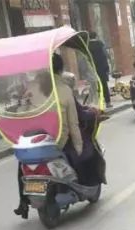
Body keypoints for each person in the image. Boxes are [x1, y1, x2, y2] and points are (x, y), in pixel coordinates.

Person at [14, 53, 85, 218]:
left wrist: (23, 103)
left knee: (22, 165)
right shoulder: (65, 89)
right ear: (60, 70)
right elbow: (73, 124)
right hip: (57, 140)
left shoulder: (31, 88)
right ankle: (73, 188)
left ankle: (23, 202)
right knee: (75, 157)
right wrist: (79, 146)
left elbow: (20, 114)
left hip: (34, 141)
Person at [87, 31, 112, 106]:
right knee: (104, 85)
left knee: (95, 85)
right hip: (102, 68)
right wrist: (107, 65)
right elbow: (105, 54)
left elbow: (86, 58)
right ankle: (108, 102)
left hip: (93, 68)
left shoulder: (87, 46)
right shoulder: (100, 44)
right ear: (96, 36)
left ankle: (98, 103)